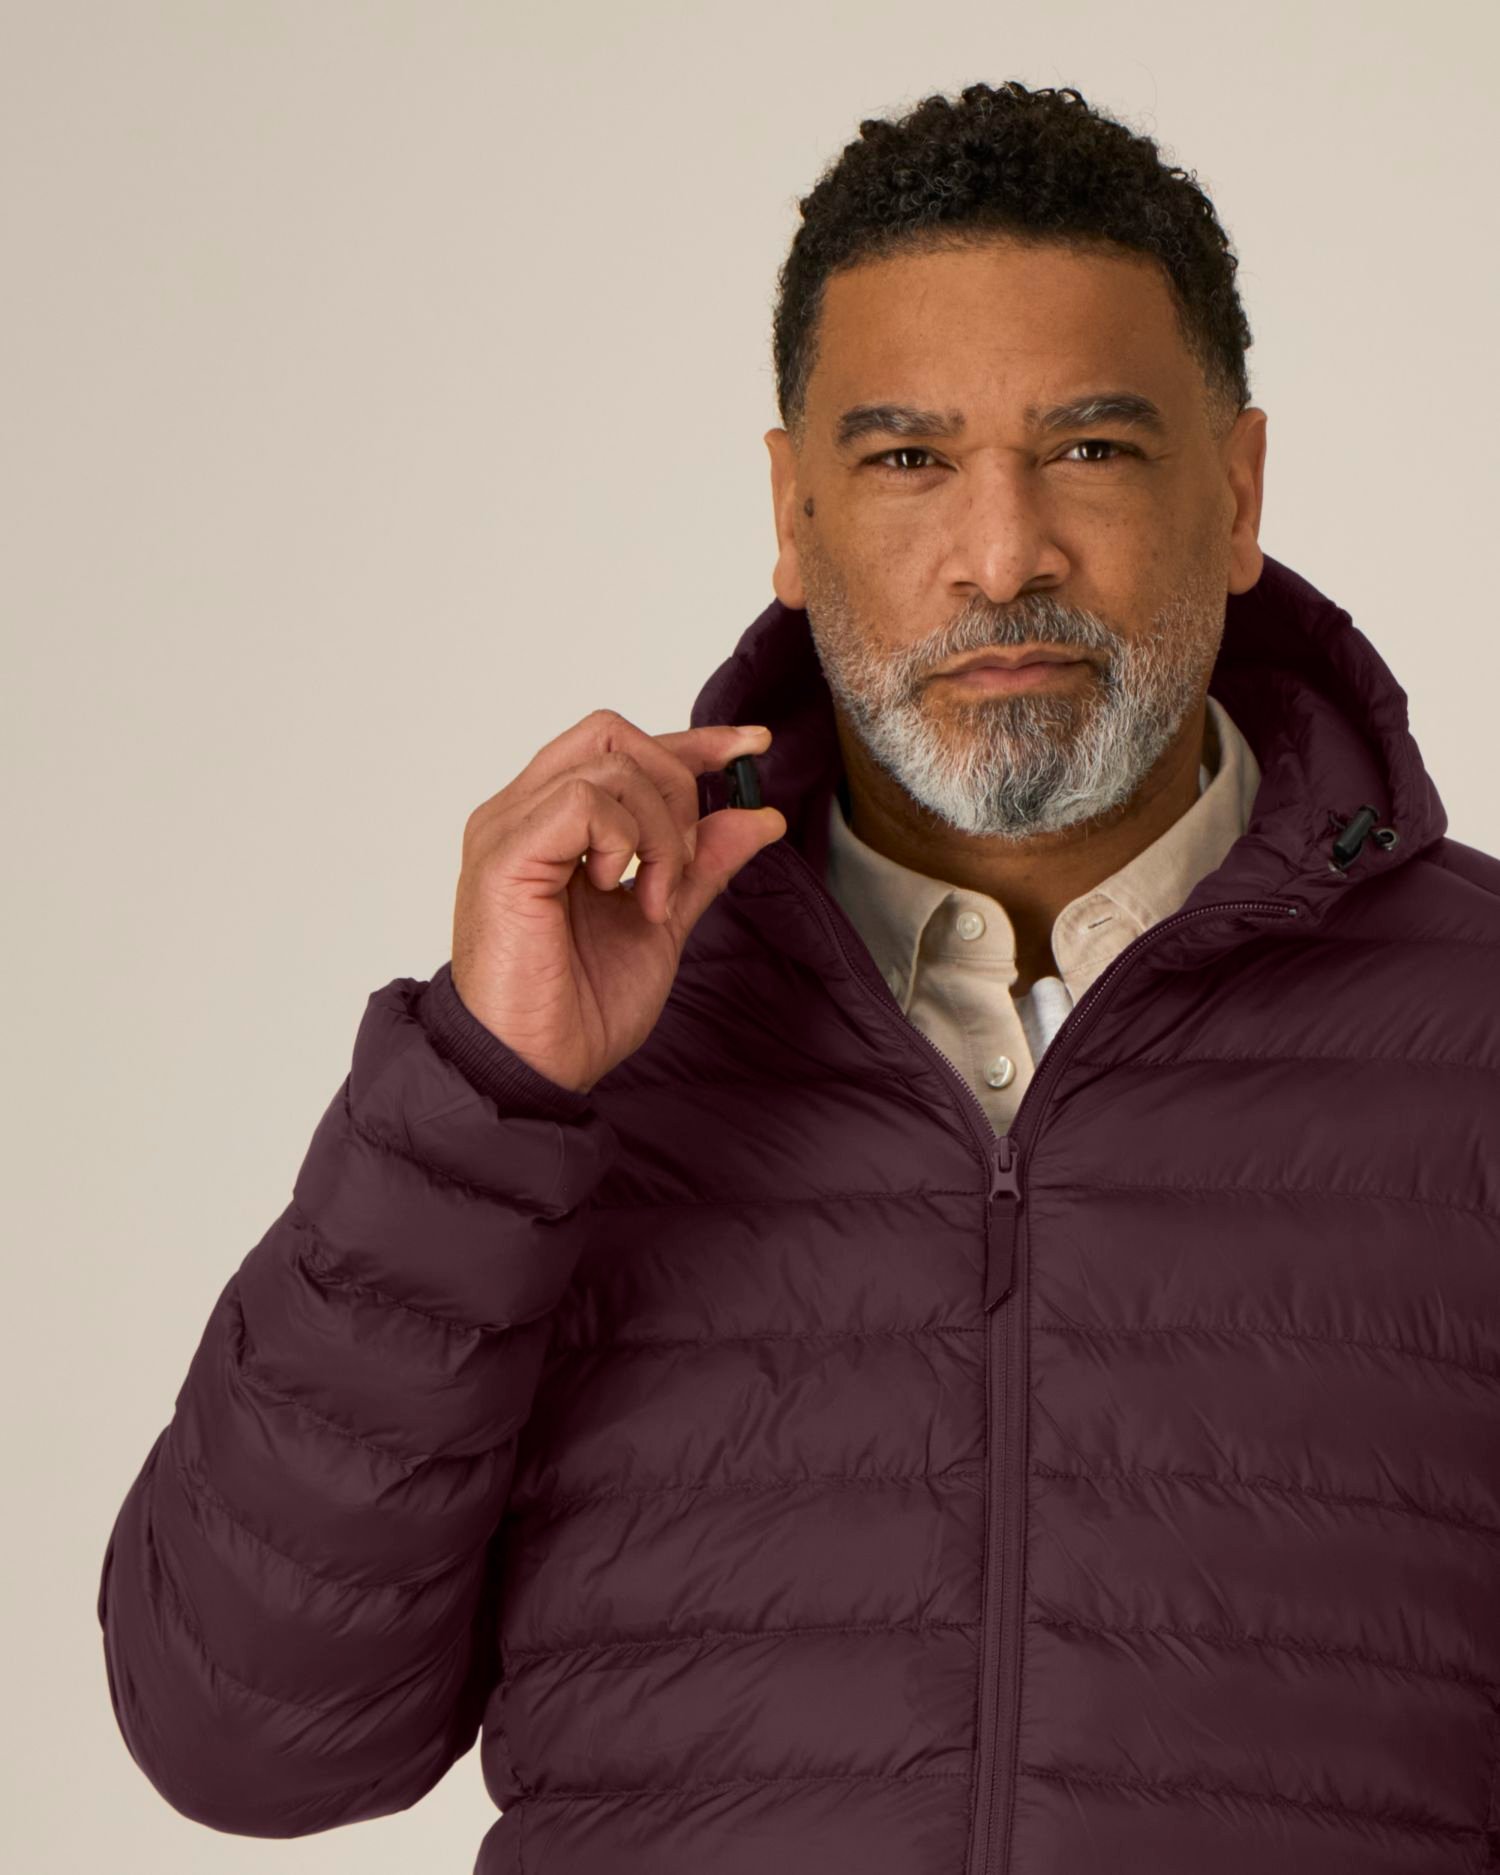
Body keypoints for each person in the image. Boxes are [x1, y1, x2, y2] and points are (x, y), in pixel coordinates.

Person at [97, 79, 1500, 1875]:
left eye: (1090, 448)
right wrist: (487, 1098)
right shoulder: (577, 1061)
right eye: (908, 460)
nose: (1002, 554)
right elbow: (245, 1736)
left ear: (1236, 495)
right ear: (794, 510)